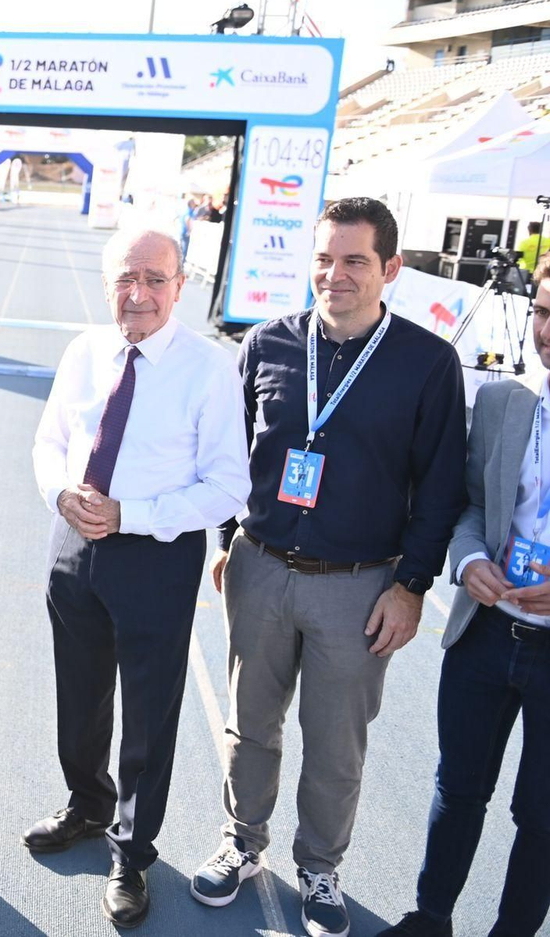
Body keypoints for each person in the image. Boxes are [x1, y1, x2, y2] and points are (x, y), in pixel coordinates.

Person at [191, 197, 466, 937]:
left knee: (335, 742)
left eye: (353, 261)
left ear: (391, 269)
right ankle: (242, 843)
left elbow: (442, 488)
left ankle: (319, 866)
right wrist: (225, 542)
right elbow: (224, 454)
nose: (334, 275)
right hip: (260, 566)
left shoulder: (427, 362)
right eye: (323, 258)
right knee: (250, 727)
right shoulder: (267, 343)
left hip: (360, 586)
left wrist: (410, 587)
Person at [28, 227, 250, 927]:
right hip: (74, 544)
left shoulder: (210, 368)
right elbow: (51, 441)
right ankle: (88, 804)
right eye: (128, 278)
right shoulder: (84, 351)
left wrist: (133, 514)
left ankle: (133, 852)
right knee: (79, 693)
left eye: (156, 279)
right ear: (108, 285)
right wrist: (61, 492)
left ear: (182, 286)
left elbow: (227, 486)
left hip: (155, 553)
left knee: (149, 718)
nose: (140, 293)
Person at [377, 261, 550, 937]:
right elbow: (473, 503)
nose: (549, 330)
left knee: (541, 814)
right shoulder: (507, 401)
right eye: (543, 310)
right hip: (485, 634)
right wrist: (471, 557)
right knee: (459, 790)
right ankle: (431, 918)